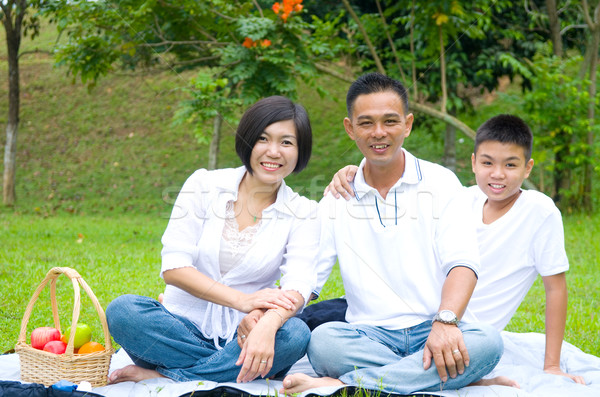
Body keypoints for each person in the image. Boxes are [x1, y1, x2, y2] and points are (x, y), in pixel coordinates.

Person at [276, 73, 503, 395]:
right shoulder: (337, 198)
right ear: (350, 128)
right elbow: (309, 279)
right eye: (366, 123)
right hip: (369, 334)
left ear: (408, 124)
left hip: (434, 324)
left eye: (390, 121)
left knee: (488, 342)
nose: (378, 133)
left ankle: (344, 384)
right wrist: (272, 317)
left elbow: (462, 264)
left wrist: (446, 323)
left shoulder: (441, 183)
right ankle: (435, 373)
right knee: (324, 344)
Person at [323, 114, 586, 386]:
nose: (497, 174)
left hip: (464, 331)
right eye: (487, 163)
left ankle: (349, 383)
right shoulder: (461, 196)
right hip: (415, 316)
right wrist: (354, 172)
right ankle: (450, 378)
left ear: (528, 168)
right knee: (323, 332)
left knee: (488, 344)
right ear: (473, 162)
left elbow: (555, 288)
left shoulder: (540, 213)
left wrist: (552, 365)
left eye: (510, 165)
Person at [105, 96, 319, 385]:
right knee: (124, 310)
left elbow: (299, 285)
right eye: (263, 138)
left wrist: (268, 323)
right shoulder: (204, 185)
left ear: (300, 151)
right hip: (178, 331)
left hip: (244, 339)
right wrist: (243, 301)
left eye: (286, 142)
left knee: (295, 334)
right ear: (248, 142)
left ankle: (162, 376)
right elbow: (174, 268)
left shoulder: (303, 212)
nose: (273, 151)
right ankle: (217, 373)